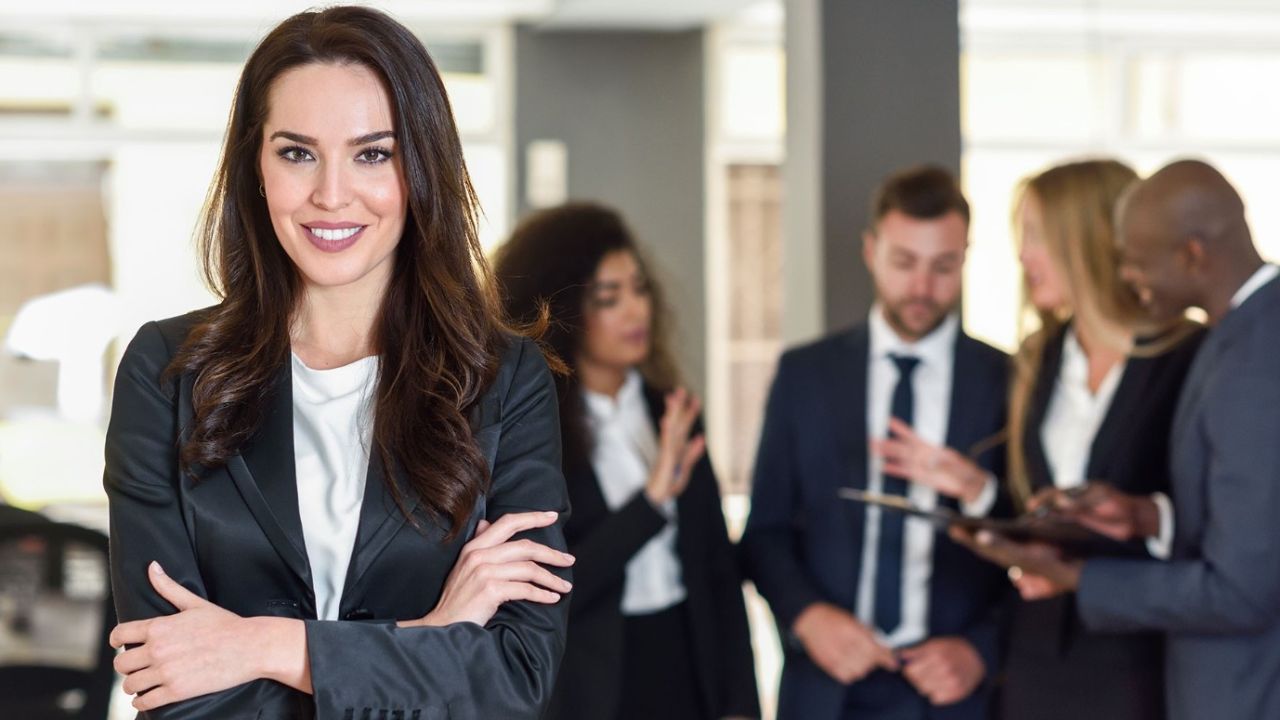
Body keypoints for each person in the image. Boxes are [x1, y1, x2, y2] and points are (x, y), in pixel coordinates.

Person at [104, 7, 571, 718]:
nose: (330, 193)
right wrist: (432, 634)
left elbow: (513, 678)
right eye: (297, 152)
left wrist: (261, 646)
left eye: (372, 154)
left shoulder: (503, 381)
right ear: (255, 167)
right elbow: (169, 684)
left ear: (420, 171)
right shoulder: (167, 372)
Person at [874, 159, 1204, 719]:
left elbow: (1209, 529)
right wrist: (978, 490)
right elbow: (1040, 512)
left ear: (1089, 240)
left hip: (1145, 663)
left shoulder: (1188, 356)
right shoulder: (1037, 359)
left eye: (1036, 236)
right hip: (1036, 665)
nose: (1024, 256)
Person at [951, 159, 1280, 720]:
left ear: (1190, 253)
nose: (1127, 273)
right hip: (1053, 666)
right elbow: (1239, 516)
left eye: (1135, 259)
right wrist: (1145, 516)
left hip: (1204, 679)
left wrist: (1075, 576)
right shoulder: (1236, 337)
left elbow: (1242, 589)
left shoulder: (1246, 356)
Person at [742, 166, 1009, 720]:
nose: (921, 288)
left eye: (943, 266)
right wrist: (809, 617)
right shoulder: (804, 375)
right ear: (870, 250)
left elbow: (1037, 545)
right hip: (826, 688)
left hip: (953, 693)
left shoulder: (1009, 381)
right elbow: (764, 532)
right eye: (904, 262)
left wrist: (979, 651)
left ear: (966, 257)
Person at [493, 202, 759, 720]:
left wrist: (741, 704)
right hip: (592, 685)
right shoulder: (533, 432)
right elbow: (552, 587)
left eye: (639, 289)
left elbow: (716, 572)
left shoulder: (673, 413)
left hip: (686, 662)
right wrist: (653, 500)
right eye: (609, 298)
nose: (636, 311)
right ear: (562, 309)